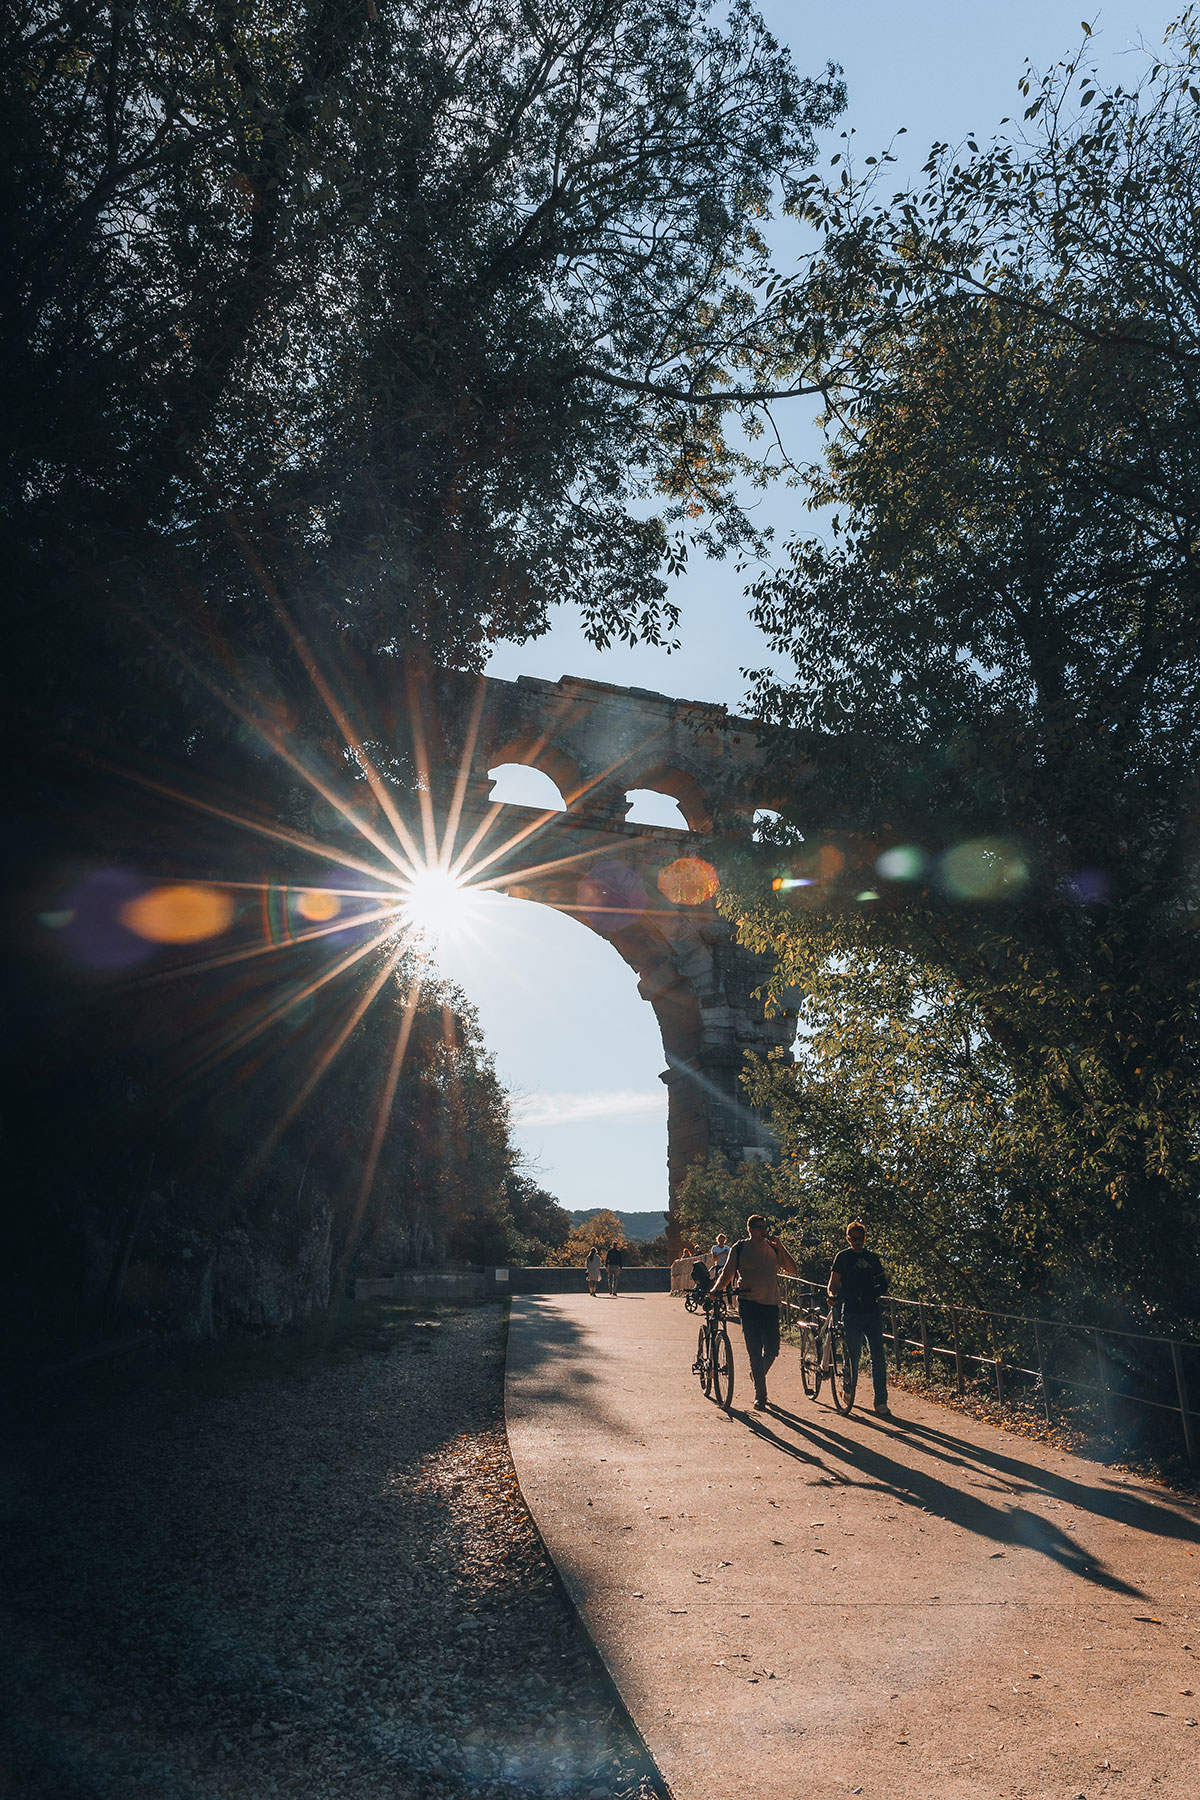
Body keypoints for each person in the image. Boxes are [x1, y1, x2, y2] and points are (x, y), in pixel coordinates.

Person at [709, 1214, 800, 1411]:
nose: (763, 1231)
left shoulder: (773, 1248)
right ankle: (761, 1394)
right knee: (754, 1349)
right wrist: (716, 1289)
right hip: (748, 1303)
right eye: (759, 1227)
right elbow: (728, 1273)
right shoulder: (740, 1248)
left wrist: (781, 1246)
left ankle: (756, 1374)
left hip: (770, 1304)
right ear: (749, 1229)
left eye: (765, 1227)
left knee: (773, 1349)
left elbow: (793, 1269)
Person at [828, 1220, 892, 1417]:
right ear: (848, 1239)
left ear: (864, 1238)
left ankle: (880, 1401)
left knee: (878, 1358)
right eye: (853, 1239)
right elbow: (834, 1283)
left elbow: (883, 1283)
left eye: (860, 1238)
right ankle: (848, 1389)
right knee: (853, 1355)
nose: (857, 1242)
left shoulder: (872, 1258)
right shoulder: (842, 1257)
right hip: (852, 1312)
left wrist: (876, 1293)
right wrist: (832, 1296)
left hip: (871, 1311)